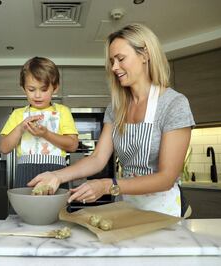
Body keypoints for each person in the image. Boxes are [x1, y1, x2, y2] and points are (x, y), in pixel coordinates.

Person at [28, 24, 195, 217]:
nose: (115, 67)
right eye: (112, 61)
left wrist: (109, 185)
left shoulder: (174, 104)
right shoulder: (116, 109)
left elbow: (166, 178)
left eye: (121, 59)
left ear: (145, 55)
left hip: (164, 210)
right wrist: (56, 176)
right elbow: (98, 158)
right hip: (126, 204)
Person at [0, 56, 79, 188]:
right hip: (25, 173)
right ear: (23, 88)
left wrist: (46, 134)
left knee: (56, 209)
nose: (37, 95)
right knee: (25, 208)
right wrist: (20, 128)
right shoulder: (17, 114)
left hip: (57, 174)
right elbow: (4, 148)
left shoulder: (63, 111)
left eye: (43, 89)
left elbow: (73, 145)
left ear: (55, 88)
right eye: (31, 90)